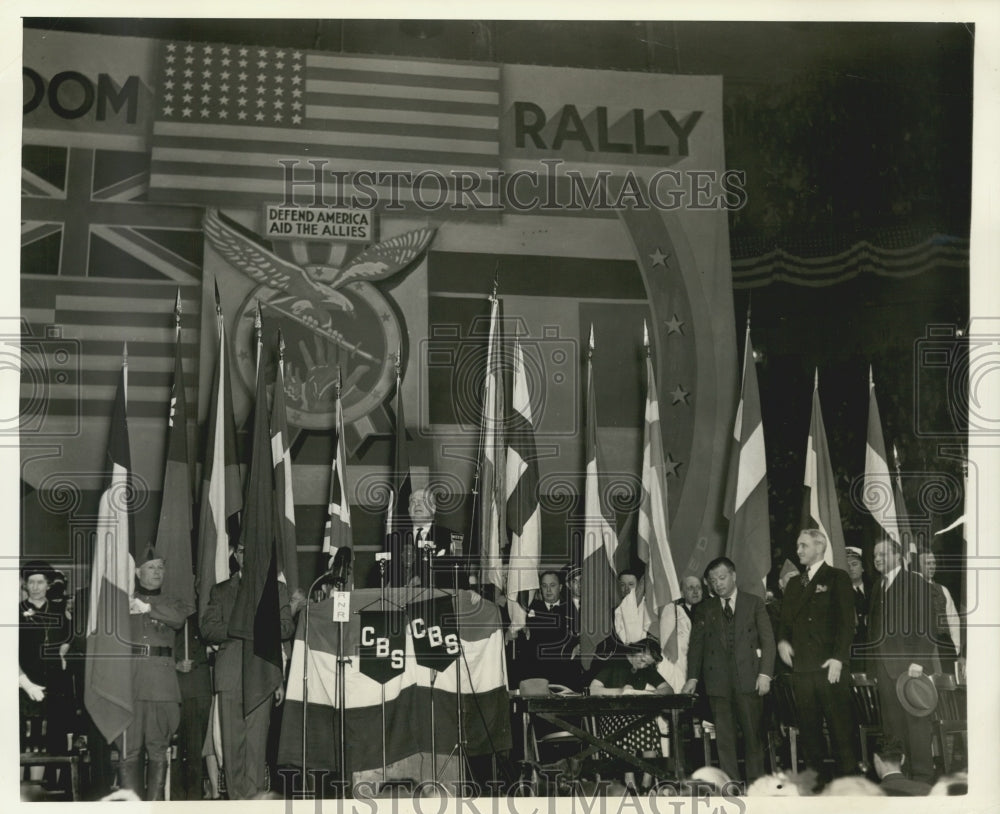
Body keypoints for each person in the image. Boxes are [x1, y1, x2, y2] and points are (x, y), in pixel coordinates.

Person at [201, 543, 296, 799]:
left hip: (262, 675)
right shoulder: (221, 591)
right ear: (235, 556)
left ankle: (254, 803)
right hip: (230, 677)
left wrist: (250, 627)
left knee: (256, 748)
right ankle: (236, 803)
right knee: (232, 751)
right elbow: (208, 629)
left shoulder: (276, 589)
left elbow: (286, 627)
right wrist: (247, 627)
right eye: (242, 550)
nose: (247, 555)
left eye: (251, 548)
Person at [682, 557, 775, 785]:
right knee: (724, 741)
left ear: (733, 576)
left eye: (722, 578)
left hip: (749, 681)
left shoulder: (754, 603)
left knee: (753, 739)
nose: (718, 584)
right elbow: (696, 646)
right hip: (717, 684)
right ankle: (730, 788)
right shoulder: (704, 609)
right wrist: (692, 677)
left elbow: (769, 641)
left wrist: (765, 675)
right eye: (713, 581)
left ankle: (756, 787)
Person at [776, 529, 856, 784]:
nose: (798, 550)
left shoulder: (837, 577)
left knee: (840, 731)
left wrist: (839, 659)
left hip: (829, 666)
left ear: (820, 547)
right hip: (802, 671)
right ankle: (817, 790)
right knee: (810, 734)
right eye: (798, 546)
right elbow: (785, 622)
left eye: (804, 545)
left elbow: (846, 623)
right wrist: (782, 642)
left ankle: (850, 789)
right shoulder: (793, 584)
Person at [118, 545, 194, 800]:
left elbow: (178, 619)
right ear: (137, 572)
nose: (157, 572)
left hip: (162, 686)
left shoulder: (172, 601)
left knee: (158, 750)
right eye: (151, 567)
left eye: (161, 567)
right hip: (131, 683)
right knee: (129, 750)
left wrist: (147, 608)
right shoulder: (121, 602)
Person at [869, 537, 944, 784]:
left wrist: (919, 661)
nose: (877, 559)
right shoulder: (877, 587)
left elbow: (929, 626)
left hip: (910, 669)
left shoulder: (915, 582)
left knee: (916, 724)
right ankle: (899, 780)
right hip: (884, 670)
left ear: (898, 556)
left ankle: (922, 779)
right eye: (875, 555)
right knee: (892, 726)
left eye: (882, 554)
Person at [590, 637, 672, 790]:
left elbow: (668, 690)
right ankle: (629, 779)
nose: (642, 665)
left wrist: (651, 693)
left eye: (647, 663)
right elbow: (593, 689)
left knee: (647, 721)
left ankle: (648, 779)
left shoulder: (646, 669)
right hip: (612, 716)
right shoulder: (615, 662)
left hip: (635, 715)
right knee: (631, 724)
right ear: (636, 651)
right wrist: (620, 691)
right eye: (641, 661)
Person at [19, 560, 72, 765]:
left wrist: (63, 651)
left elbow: (69, 635)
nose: (35, 587)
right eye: (31, 582)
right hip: (28, 678)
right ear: (25, 585)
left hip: (56, 677)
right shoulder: (17, 611)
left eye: (40, 582)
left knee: (57, 732)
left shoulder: (59, 610)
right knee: (26, 733)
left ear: (48, 585)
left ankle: (54, 782)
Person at [173, 612, 213, 799]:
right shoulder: (174, 616)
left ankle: (194, 798)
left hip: (201, 688)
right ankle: (178, 797)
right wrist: (175, 664)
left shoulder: (205, 617)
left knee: (196, 751)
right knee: (178, 749)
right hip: (177, 689)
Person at [522, 571, 576, 687]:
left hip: (565, 674)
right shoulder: (531, 609)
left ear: (560, 587)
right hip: (537, 674)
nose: (548, 590)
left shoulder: (571, 610)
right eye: (544, 586)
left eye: (552, 585)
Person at [916, 550, 961, 674]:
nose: (931, 567)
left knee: (948, 685)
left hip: (944, 646)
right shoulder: (912, 589)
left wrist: (955, 647)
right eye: (927, 563)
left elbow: (953, 621)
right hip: (923, 648)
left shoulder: (943, 589)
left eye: (933, 563)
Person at [844, 546, 871, 674]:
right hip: (852, 653)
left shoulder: (875, 590)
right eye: (847, 565)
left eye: (854, 564)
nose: (850, 568)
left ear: (863, 567)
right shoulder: (841, 595)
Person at [614, 569, 652, 645]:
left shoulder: (648, 608)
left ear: (638, 585)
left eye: (631, 584)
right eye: (622, 585)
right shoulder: (613, 611)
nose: (626, 589)